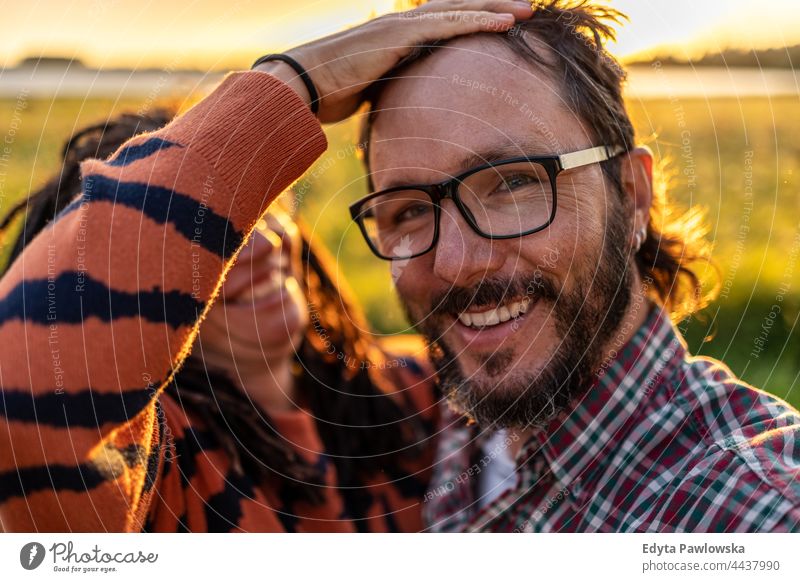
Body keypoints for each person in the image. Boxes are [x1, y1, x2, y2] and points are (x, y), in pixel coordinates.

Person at [349, 0, 800, 532]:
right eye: (409, 211)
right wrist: (286, 83)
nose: (453, 264)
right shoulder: (464, 414)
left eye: (514, 183)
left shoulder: (749, 517)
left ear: (631, 194)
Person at [0, 109, 441, 532]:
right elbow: (20, 388)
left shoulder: (420, 390)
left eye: (261, 208)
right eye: (200, 241)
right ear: (116, 298)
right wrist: (295, 80)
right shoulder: (156, 470)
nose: (263, 244)